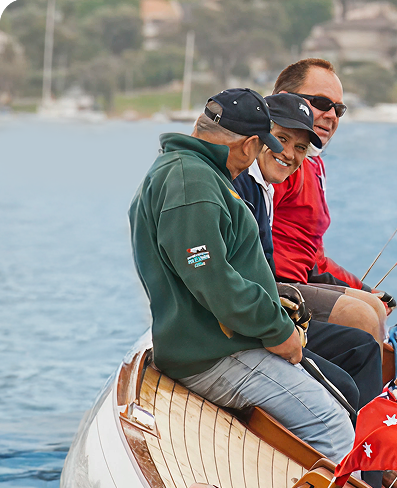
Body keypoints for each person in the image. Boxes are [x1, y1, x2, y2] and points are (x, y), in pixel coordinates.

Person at [129, 88, 354, 463]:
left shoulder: (193, 172)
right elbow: (214, 281)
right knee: (332, 427)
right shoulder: (193, 183)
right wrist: (279, 331)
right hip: (214, 354)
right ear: (250, 144)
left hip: (218, 345)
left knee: (339, 397)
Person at [233, 93, 383, 422]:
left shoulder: (266, 188)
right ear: (258, 136)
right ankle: (369, 462)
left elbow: (309, 256)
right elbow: (235, 275)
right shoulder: (243, 187)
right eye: (281, 139)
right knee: (353, 365)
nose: (289, 153)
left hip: (274, 302)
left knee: (365, 339)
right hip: (254, 322)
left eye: (300, 147)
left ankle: (377, 448)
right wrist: (282, 328)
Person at [270, 58, 396, 344]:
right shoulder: (278, 162)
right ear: (284, 100)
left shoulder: (313, 165)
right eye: (321, 103)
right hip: (276, 286)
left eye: (339, 109)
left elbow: (314, 257)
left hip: (303, 281)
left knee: (374, 307)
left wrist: (362, 287)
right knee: (362, 316)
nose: (332, 115)